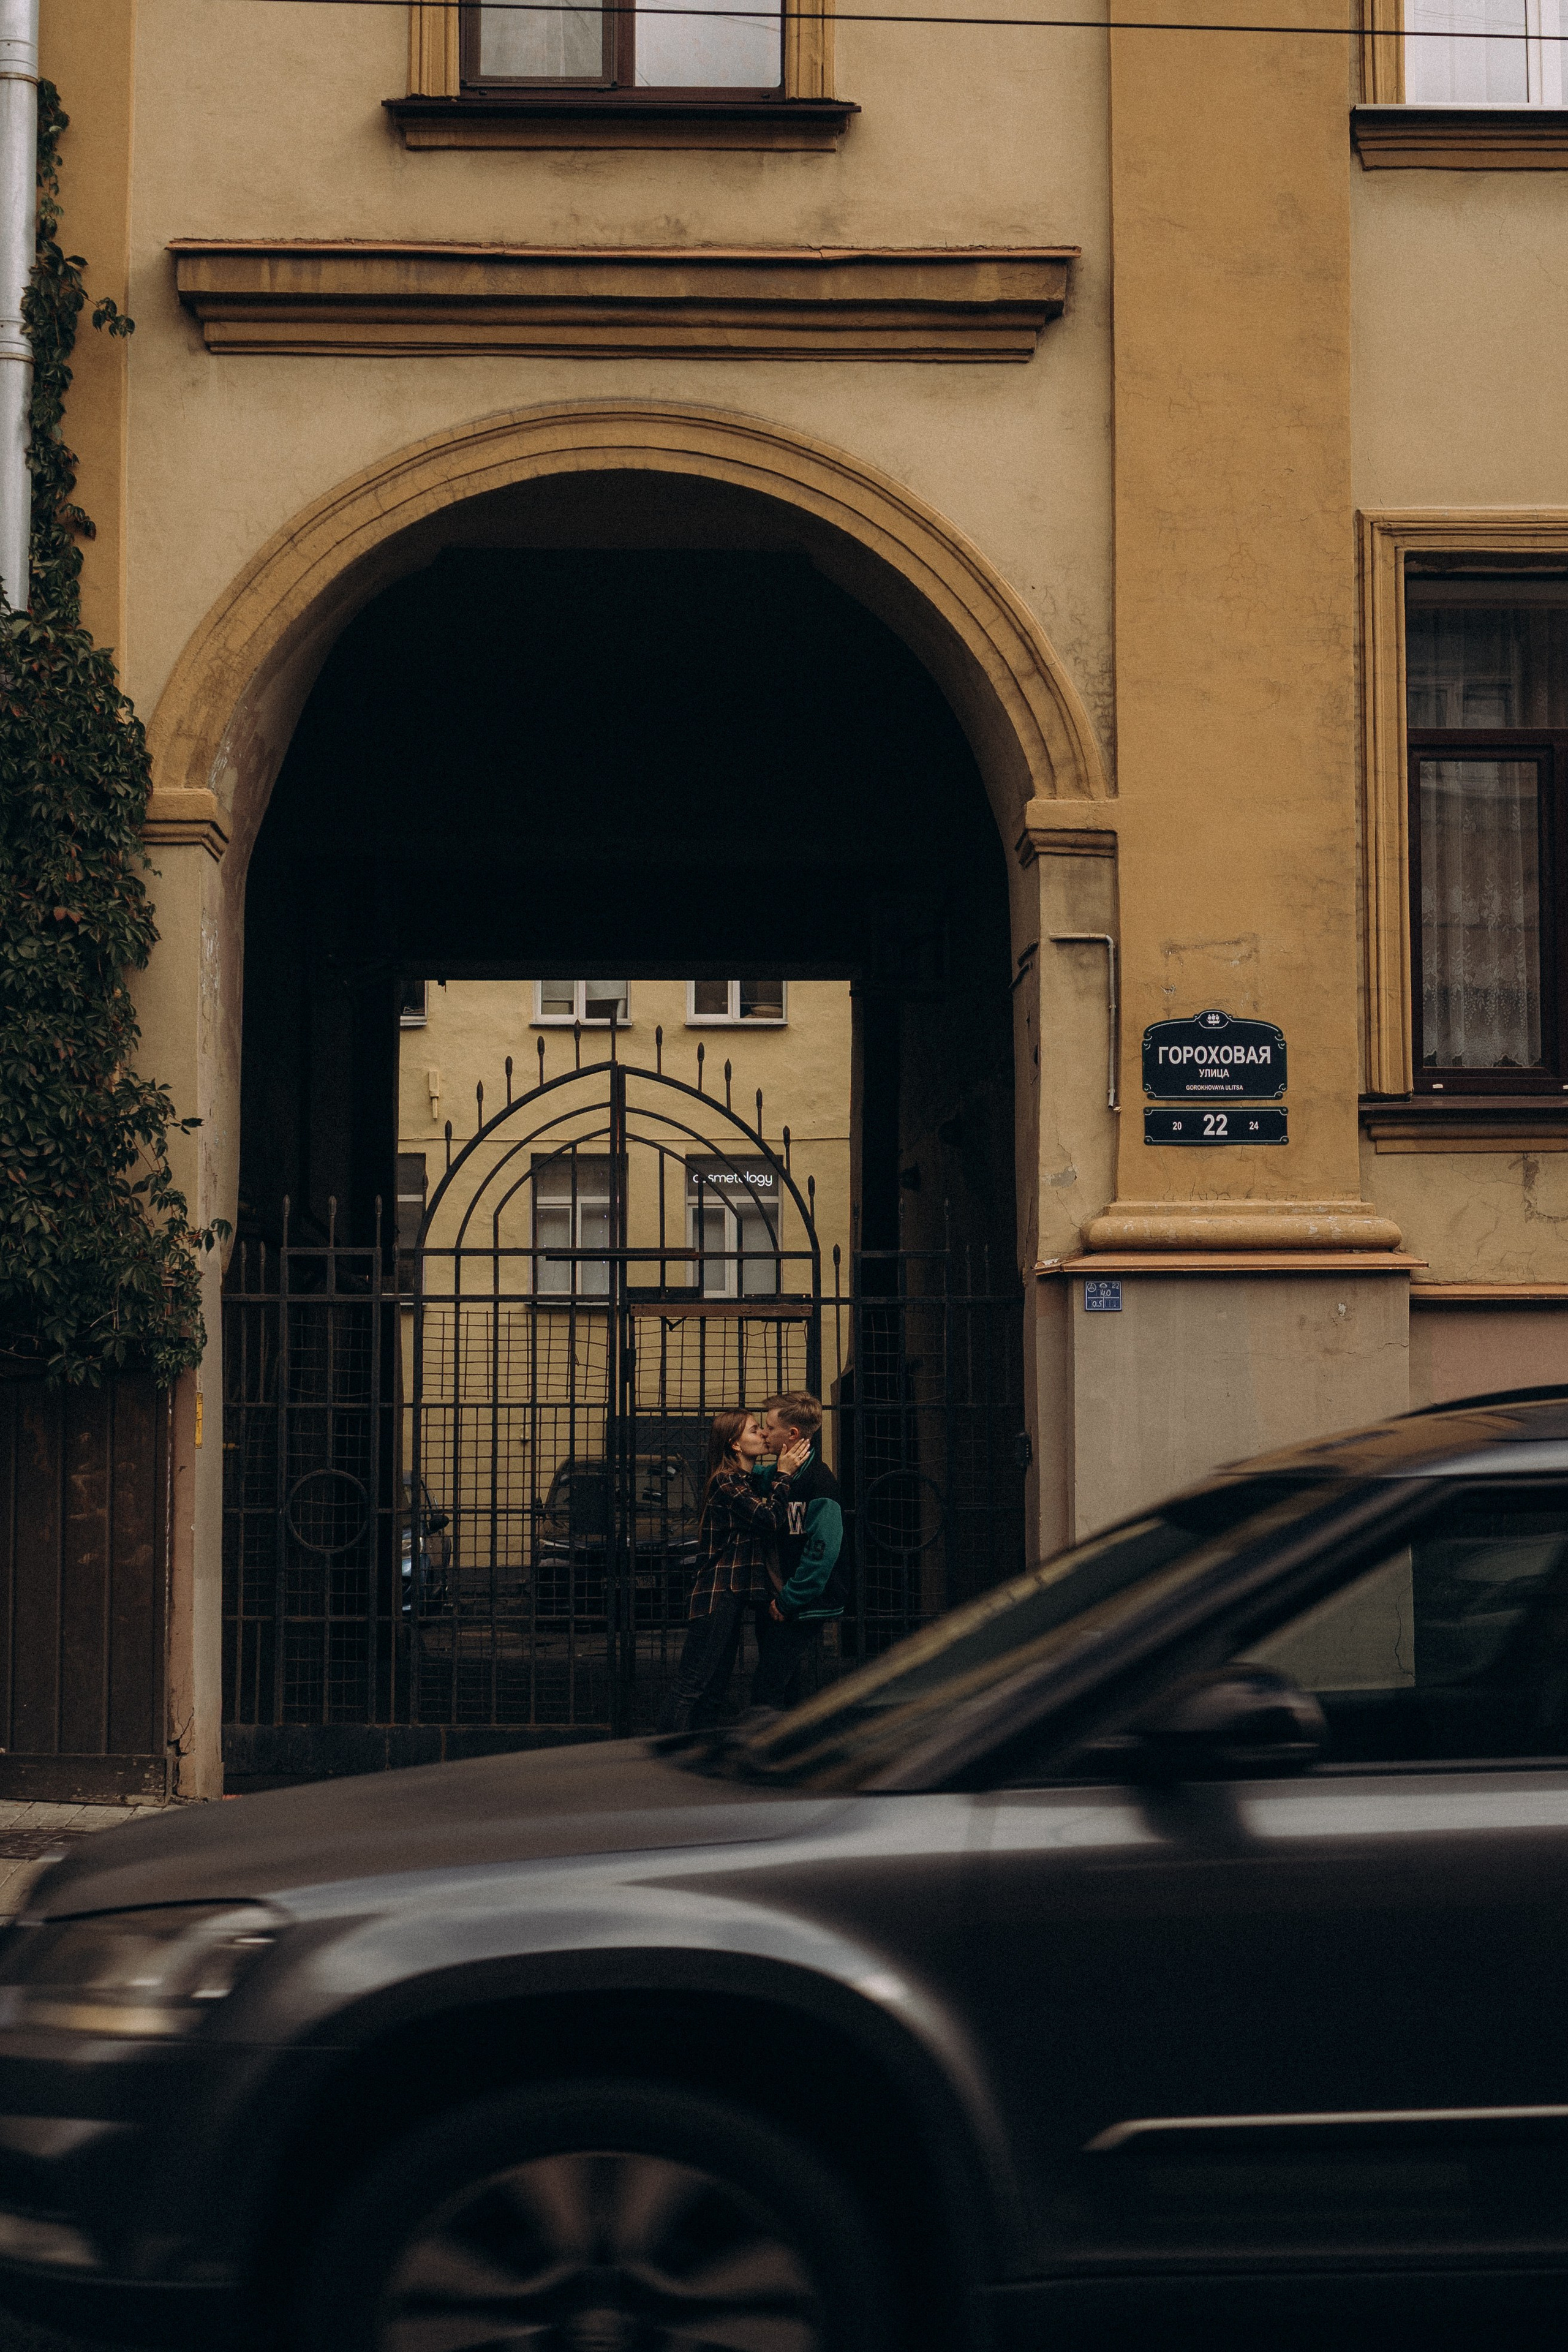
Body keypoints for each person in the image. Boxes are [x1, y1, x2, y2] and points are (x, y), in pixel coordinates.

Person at [655, 1409, 812, 1735]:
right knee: (693, 1683)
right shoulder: (725, 1482)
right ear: (735, 1445)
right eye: (755, 1431)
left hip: (737, 1593)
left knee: (715, 1686)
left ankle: (697, 1751)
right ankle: (666, 1748)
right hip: (718, 1593)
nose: (763, 1435)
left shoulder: (749, 1481)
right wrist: (783, 1473)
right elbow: (769, 1519)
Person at [751, 1391, 845, 1713]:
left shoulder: (819, 1483)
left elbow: (822, 1554)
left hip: (798, 1604)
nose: (764, 1433)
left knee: (767, 1691)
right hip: (781, 1600)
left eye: (769, 1427)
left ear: (792, 1435)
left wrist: (788, 1600)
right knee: (784, 1689)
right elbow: (755, 1478)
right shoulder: (786, 1476)